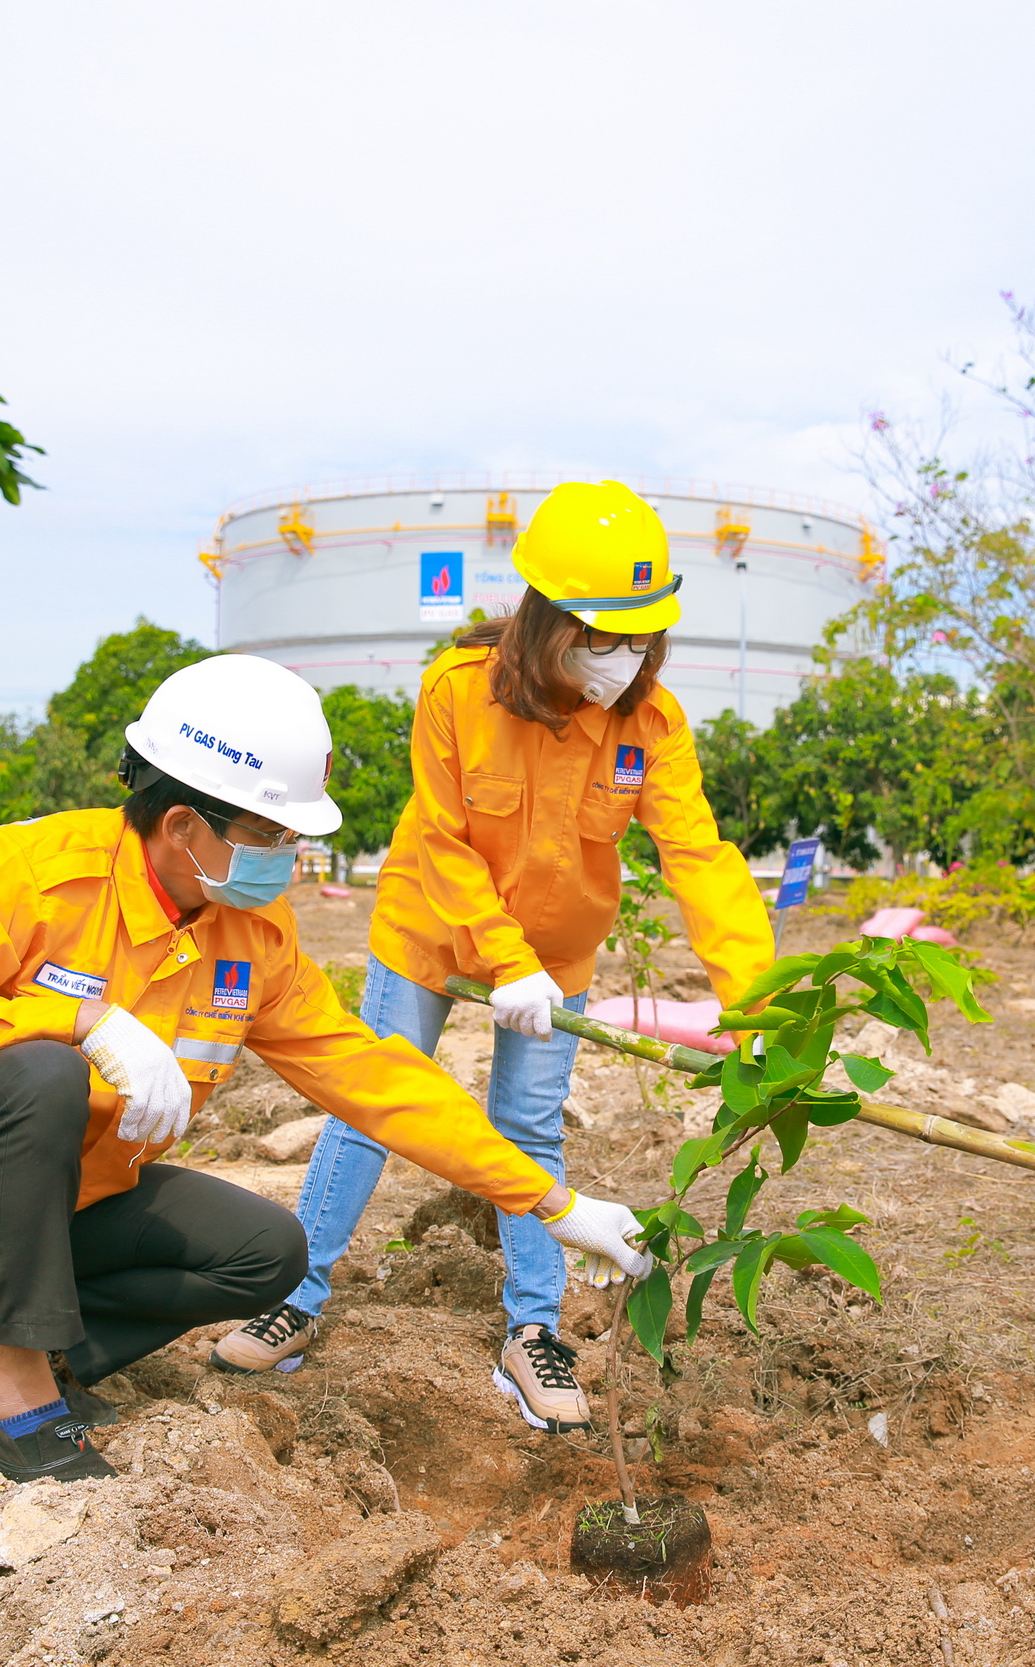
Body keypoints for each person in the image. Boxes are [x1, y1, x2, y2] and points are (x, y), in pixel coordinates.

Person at [0, 655, 654, 1483]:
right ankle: (15, 1399)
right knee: (42, 1072)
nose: (285, 854)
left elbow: (375, 1078)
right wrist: (79, 1020)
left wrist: (553, 1201)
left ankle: (0, 1339)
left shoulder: (253, 939)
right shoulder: (28, 872)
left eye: (292, 835)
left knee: (265, 1253)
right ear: (181, 824)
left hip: (54, 1206)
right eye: (269, 833)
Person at [210, 480, 774, 1435]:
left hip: (559, 959)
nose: (623, 658)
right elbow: (441, 840)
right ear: (549, 619)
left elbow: (701, 859)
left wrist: (756, 1009)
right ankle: (297, 1293)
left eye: (641, 637)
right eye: (604, 635)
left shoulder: (652, 723)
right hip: (434, 932)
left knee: (528, 1130)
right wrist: (499, 957)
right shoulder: (456, 692)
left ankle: (532, 1331)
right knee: (370, 1107)